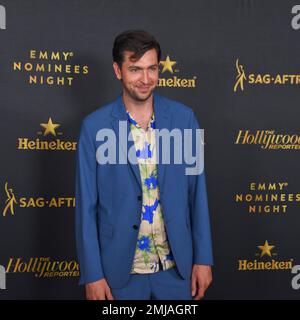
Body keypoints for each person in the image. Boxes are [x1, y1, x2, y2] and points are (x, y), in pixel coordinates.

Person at [75, 30, 213, 300]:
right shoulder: (94, 127)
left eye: (152, 68)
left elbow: (198, 194)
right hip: (118, 275)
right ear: (118, 70)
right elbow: (86, 207)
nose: (145, 79)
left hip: (176, 273)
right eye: (135, 69)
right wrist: (92, 274)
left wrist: (204, 258)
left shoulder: (184, 119)